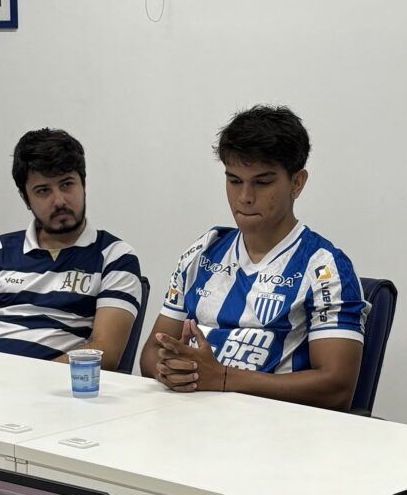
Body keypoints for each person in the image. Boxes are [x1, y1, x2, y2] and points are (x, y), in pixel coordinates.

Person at [140, 105, 370, 411]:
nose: (245, 197)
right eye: (234, 180)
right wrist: (169, 369)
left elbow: (337, 388)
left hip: (277, 429)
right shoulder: (202, 251)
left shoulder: (324, 267)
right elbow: (150, 354)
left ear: (297, 183)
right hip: (190, 416)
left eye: (262, 183)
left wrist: (223, 378)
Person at [0, 128, 142, 370]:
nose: (59, 201)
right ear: (25, 198)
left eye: (67, 184)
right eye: (43, 191)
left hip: (52, 385)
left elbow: (105, 352)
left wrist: (29, 378)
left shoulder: (114, 257)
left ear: (83, 185)